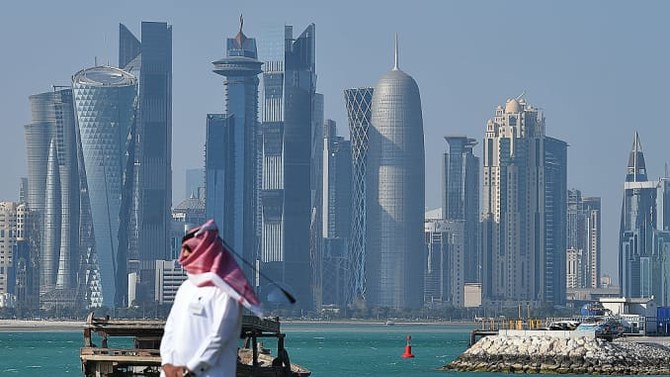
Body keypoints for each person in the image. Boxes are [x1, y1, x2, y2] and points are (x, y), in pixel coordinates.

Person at [160, 220, 262, 377]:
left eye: (188, 250)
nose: (183, 256)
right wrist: (167, 363)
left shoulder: (226, 292)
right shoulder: (185, 288)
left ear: (203, 252)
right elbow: (170, 329)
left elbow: (219, 337)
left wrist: (189, 370)